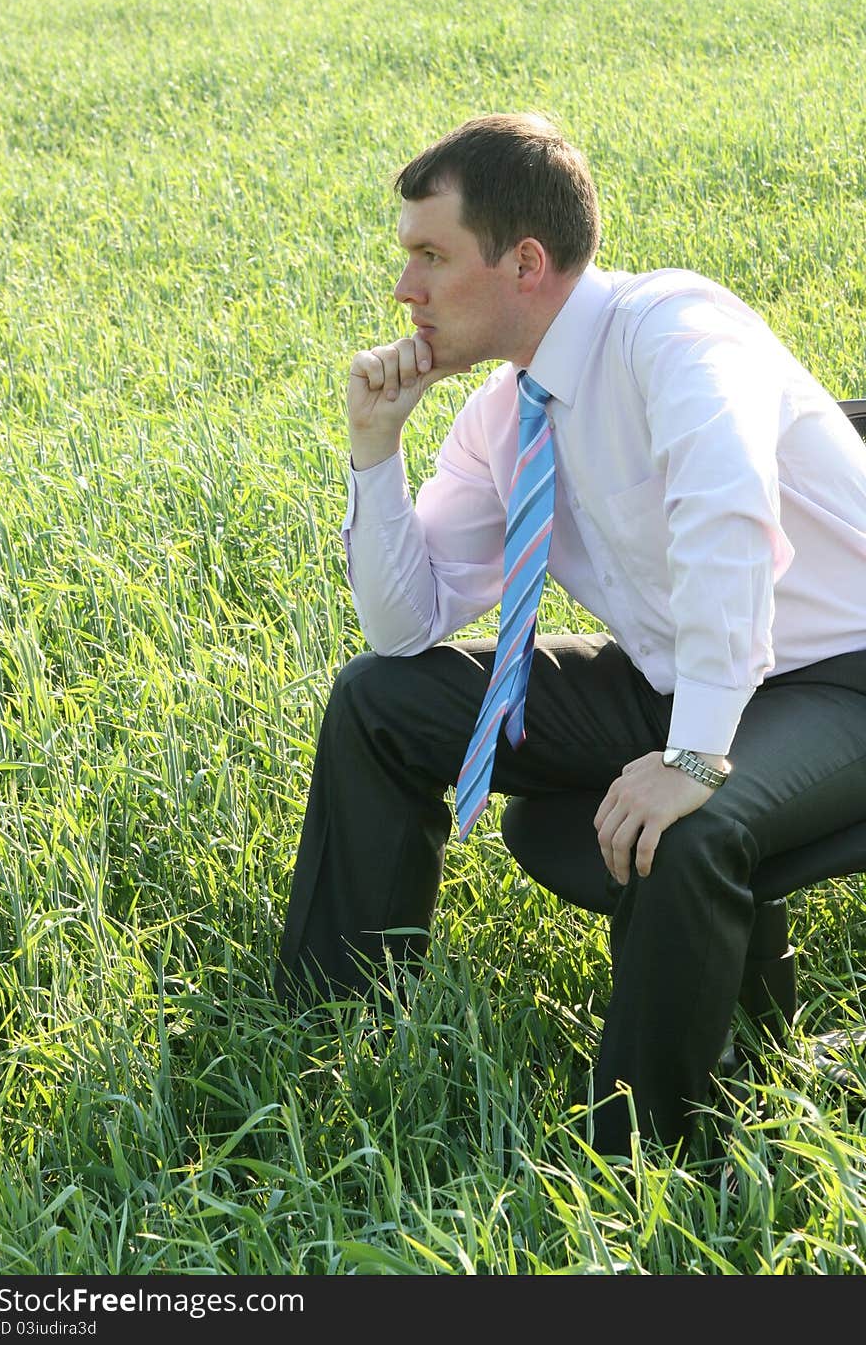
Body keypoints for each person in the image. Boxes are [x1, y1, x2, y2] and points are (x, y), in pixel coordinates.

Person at [274, 112, 866, 1159]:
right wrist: (375, 453)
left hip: (839, 677)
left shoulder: (675, 328)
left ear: (526, 262)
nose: (403, 290)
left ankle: (642, 1153)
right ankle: (332, 1024)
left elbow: (731, 522)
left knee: (688, 825)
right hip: (687, 673)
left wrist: (691, 752)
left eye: (428, 255)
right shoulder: (508, 413)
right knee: (381, 697)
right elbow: (405, 624)